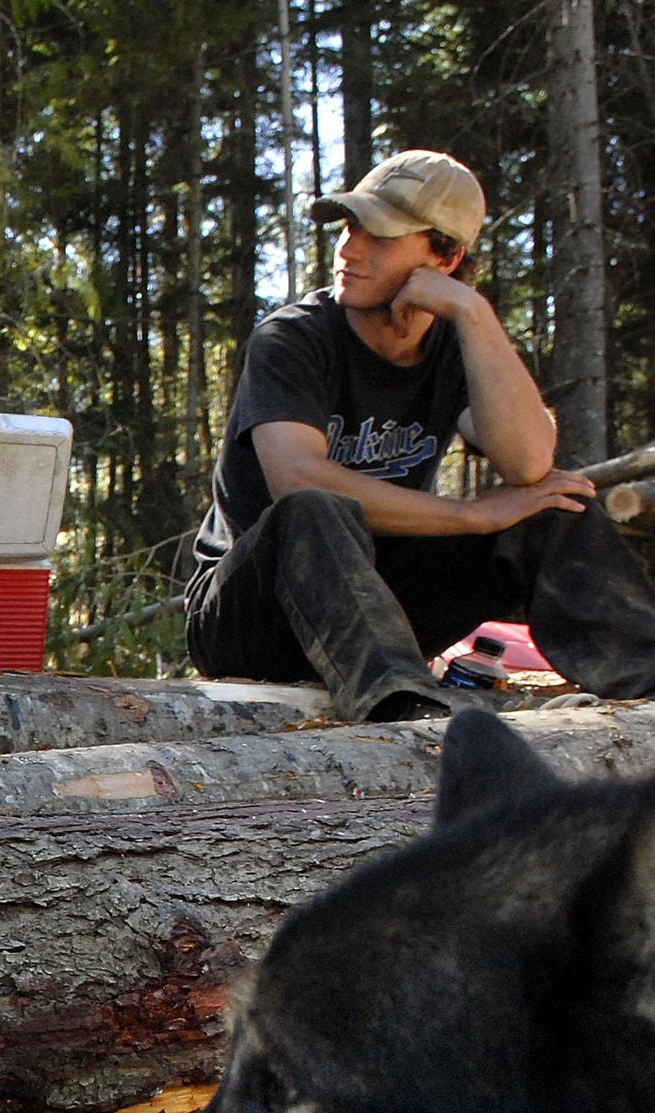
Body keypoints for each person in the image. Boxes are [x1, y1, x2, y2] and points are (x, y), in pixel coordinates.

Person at [186, 148, 655, 720]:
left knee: (556, 507)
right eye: (350, 227)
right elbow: (295, 477)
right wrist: (473, 515)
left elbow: (530, 465)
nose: (349, 249)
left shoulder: (460, 345)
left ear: (446, 256)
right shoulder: (295, 337)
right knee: (313, 508)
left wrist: (475, 316)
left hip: (381, 604)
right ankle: (400, 708)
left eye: (378, 237)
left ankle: (643, 689)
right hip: (250, 613)